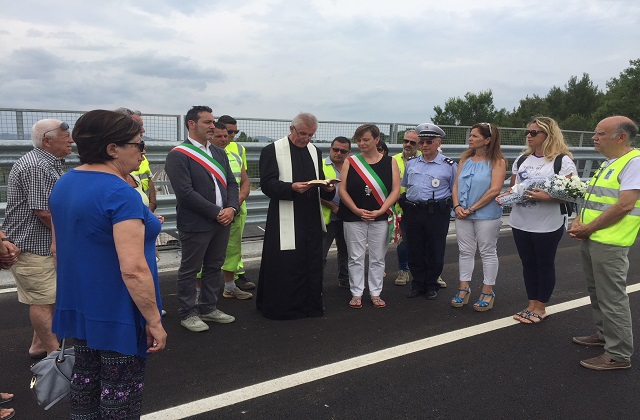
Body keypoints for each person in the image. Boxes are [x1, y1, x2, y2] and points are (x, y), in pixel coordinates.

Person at [49, 110, 167, 418]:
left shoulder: (66, 183)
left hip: (82, 306)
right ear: (112, 149)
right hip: (118, 311)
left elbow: (58, 250)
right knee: (120, 395)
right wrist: (153, 320)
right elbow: (133, 268)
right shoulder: (120, 193)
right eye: (138, 144)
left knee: (86, 386)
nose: (143, 151)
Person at [567, 116, 640, 370]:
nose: (594, 137)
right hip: (594, 237)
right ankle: (604, 335)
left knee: (612, 298)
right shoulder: (611, 162)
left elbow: (625, 205)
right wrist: (579, 220)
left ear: (621, 137)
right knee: (597, 292)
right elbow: (593, 201)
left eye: (600, 133)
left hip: (610, 241)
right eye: (594, 133)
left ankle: (618, 354)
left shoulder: (634, 162)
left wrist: (588, 228)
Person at [2, 118, 73, 358]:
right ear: (47, 140)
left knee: (48, 296)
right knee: (42, 299)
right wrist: (67, 238)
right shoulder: (37, 166)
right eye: (66, 137)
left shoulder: (49, 162)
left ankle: (39, 345)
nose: (71, 140)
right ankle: (55, 356)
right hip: (33, 244)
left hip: (39, 243)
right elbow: (43, 211)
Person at [165, 106, 239, 332]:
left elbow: (232, 183)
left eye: (213, 122)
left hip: (223, 220)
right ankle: (188, 313)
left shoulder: (218, 152)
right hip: (197, 222)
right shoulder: (178, 154)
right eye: (207, 122)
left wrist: (231, 208)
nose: (213, 126)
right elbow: (185, 193)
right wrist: (217, 212)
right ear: (191, 124)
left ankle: (208, 307)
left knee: (214, 266)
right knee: (190, 269)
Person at [257, 112, 337, 319]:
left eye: (311, 135)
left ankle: (309, 306)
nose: (306, 139)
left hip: (310, 213)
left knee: (310, 259)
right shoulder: (272, 150)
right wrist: (290, 187)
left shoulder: (314, 151)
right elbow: (267, 184)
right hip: (284, 213)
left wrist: (327, 188)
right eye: (303, 133)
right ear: (291, 129)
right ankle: (283, 308)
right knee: (285, 262)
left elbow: (318, 178)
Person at [497, 116, 577, 324]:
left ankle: (541, 307)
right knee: (528, 264)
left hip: (547, 222)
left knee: (544, 263)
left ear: (548, 135)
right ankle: (531, 304)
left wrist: (546, 197)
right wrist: (505, 197)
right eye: (528, 132)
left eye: (534, 133)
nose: (529, 136)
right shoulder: (522, 159)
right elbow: (514, 188)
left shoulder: (562, 160)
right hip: (521, 220)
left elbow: (571, 194)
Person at [338, 124, 400, 308]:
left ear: (376, 139)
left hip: (379, 217)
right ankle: (356, 292)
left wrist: (382, 210)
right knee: (355, 257)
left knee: (377, 257)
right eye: (358, 140)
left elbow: (395, 190)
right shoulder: (351, 161)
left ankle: (375, 292)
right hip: (354, 216)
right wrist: (356, 210)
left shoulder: (390, 162)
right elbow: (342, 189)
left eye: (365, 139)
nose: (361, 143)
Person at [451, 123, 506, 311]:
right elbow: (456, 185)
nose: (470, 139)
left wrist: (472, 208)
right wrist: (457, 205)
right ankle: (463, 288)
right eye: (470, 135)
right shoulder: (465, 159)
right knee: (465, 251)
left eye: (474, 136)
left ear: (487, 140)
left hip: (486, 214)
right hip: (462, 213)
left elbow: (495, 190)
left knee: (487, 251)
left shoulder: (497, 161)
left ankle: (487, 291)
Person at [403, 123, 457, 300]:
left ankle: (431, 284)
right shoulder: (411, 163)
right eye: (421, 142)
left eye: (429, 141)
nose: (424, 145)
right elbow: (405, 186)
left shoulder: (449, 165)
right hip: (413, 211)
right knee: (415, 248)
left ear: (438, 143)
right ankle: (418, 283)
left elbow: (454, 189)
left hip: (436, 213)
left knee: (435, 249)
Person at [210, 122, 253, 300]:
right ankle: (197, 293)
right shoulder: (203, 157)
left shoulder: (235, 155)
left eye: (226, 135)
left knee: (233, 250)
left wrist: (234, 205)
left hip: (234, 212)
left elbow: (245, 182)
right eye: (219, 136)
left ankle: (230, 287)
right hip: (211, 214)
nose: (223, 139)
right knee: (205, 253)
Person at [321, 136, 351, 288]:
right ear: (330, 148)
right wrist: (333, 207)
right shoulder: (320, 166)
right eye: (336, 149)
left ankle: (345, 281)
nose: (339, 153)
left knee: (345, 252)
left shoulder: (352, 167)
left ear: (348, 152)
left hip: (346, 216)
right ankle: (315, 283)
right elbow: (316, 191)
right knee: (321, 254)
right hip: (328, 217)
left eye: (343, 151)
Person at [115, 108, 157, 212]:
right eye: (138, 125)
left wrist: (152, 205)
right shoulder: (112, 178)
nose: (143, 130)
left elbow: (149, 179)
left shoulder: (139, 152)